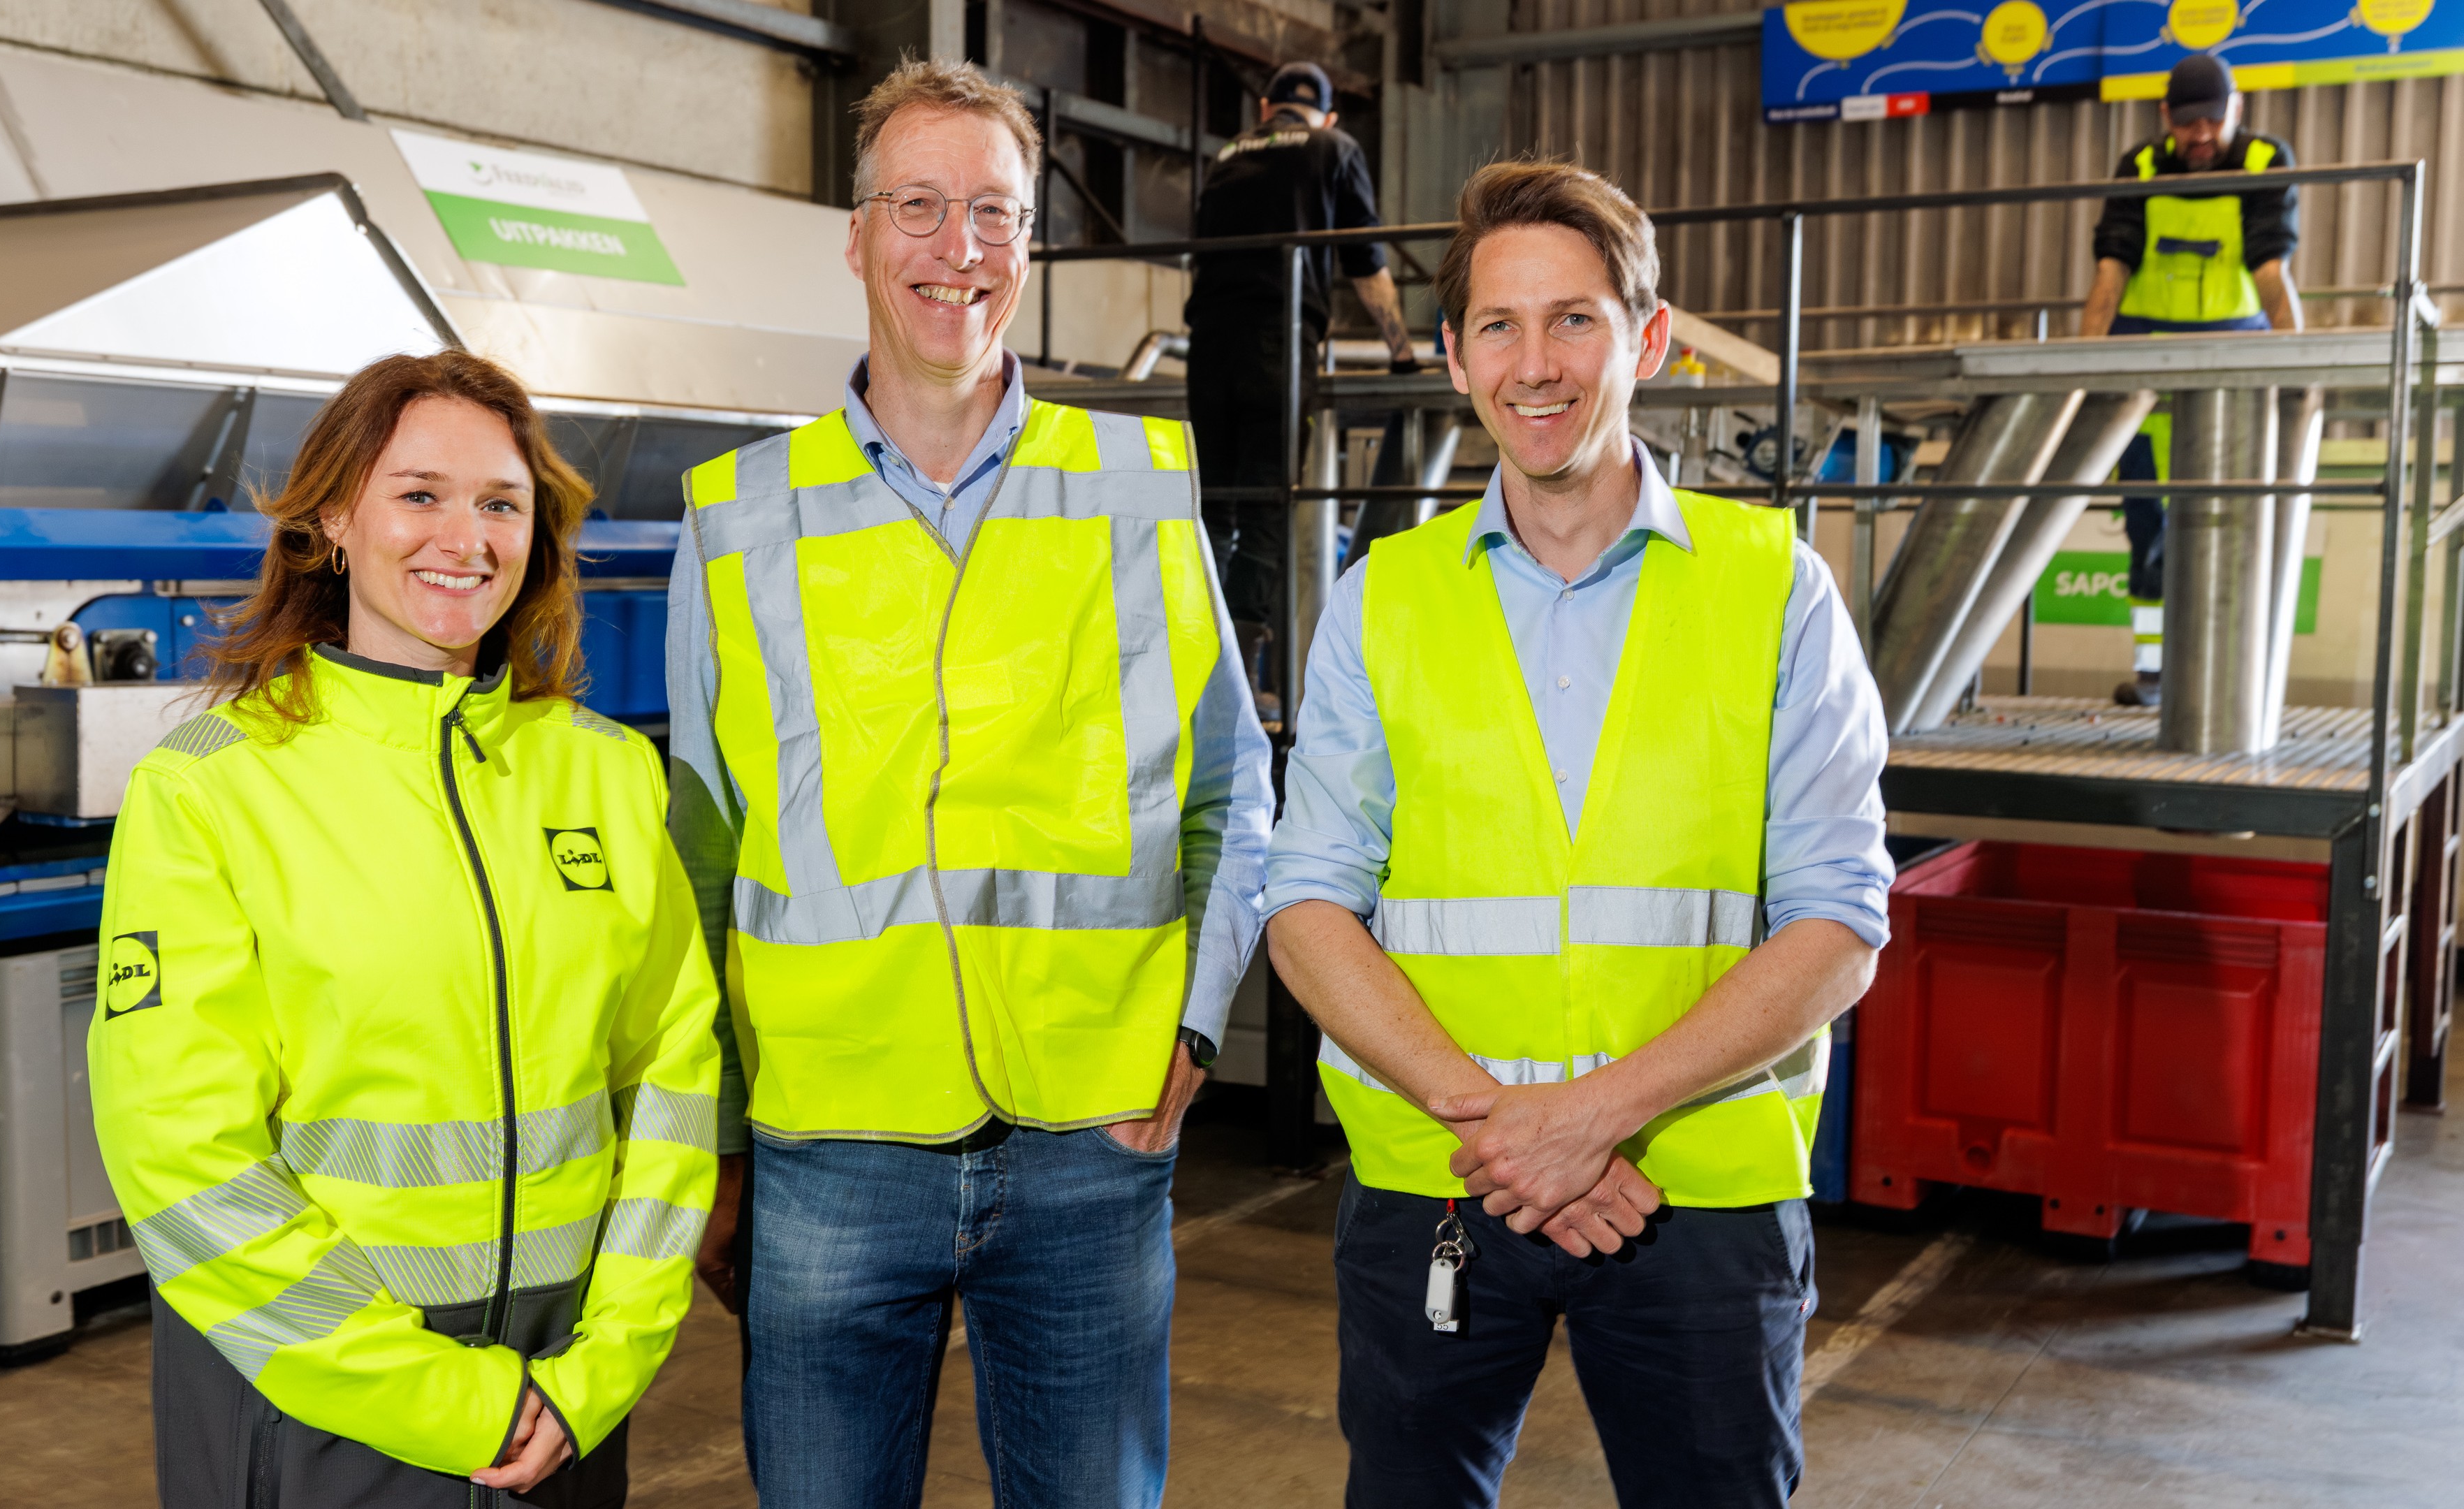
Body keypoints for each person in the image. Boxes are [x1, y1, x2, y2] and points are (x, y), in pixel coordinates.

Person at [664, 60, 1273, 1508]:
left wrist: (1195, 1029)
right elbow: (698, 852)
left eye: (993, 213)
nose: (959, 249)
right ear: (861, 236)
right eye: (919, 208)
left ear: (1030, 245)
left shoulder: (1138, 486)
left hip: (1091, 1141)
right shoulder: (739, 516)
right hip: (829, 1146)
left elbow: (1233, 798)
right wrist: (714, 1134)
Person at [1264, 161, 1893, 1508]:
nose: (1534, 364)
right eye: (1498, 325)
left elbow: (1839, 921)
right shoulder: (1387, 601)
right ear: (1452, 354)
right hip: (1444, 1185)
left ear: (1647, 337)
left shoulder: (1775, 587)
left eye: (1576, 320)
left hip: (1698, 1197)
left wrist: (1594, 1120)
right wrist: (1502, 1129)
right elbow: (1306, 902)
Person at [90, 351, 722, 1507]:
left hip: (562, 1404)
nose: (463, 538)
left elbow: (671, 1085)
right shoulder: (212, 792)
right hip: (313, 1395)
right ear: (333, 517)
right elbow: (184, 1157)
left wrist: (602, 1368)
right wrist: (445, 1399)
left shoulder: (612, 777)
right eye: (419, 494)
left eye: (500, 503)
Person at [1183, 60, 1417, 716]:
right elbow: (1365, 261)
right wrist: (1402, 356)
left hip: (1207, 346)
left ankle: (1195, 670)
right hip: (1275, 345)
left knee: (1213, 513)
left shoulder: (1227, 154)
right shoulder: (1335, 148)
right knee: (1264, 512)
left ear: (1265, 110)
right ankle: (1237, 688)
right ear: (1329, 116)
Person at [2080, 50, 2301, 706]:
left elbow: (2271, 272)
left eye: (2212, 120)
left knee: (2231, 525)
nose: (2200, 136)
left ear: (2237, 110)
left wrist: (2299, 369)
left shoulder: (2265, 162)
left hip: (2231, 374)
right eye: (2187, 123)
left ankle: (2236, 676)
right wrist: (2082, 365)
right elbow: (2111, 269)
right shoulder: (2142, 168)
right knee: (2148, 526)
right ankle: (2153, 673)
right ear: (2165, 117)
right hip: (2143, 373)